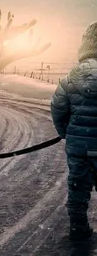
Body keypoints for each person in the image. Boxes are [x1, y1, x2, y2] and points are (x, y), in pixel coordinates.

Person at [50, 22, 97, 241]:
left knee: (77, 187)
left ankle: (78, 226)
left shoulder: (71, 78)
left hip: (78, 148)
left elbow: (58, 108)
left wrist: (65, 133)